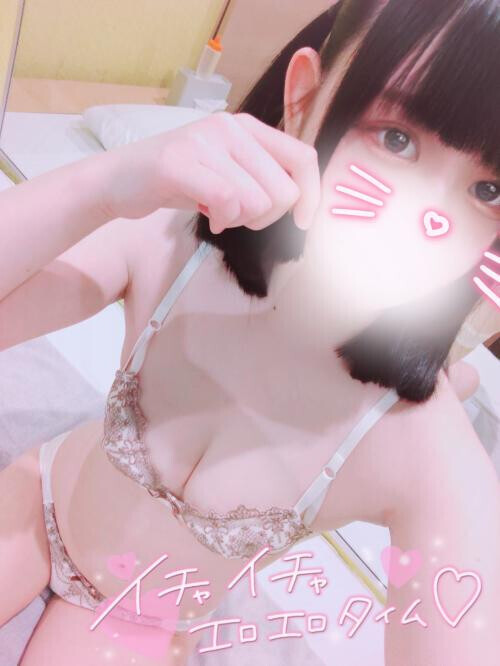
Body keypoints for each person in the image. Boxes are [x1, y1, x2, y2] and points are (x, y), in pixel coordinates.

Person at [1, 0, 499, 663]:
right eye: (396, 139)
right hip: (40, 501)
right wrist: (108, 182)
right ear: (303, 96)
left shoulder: (422, 448)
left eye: (489, 191)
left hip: (143, 615)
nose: (429, 219)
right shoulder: (173, 244)